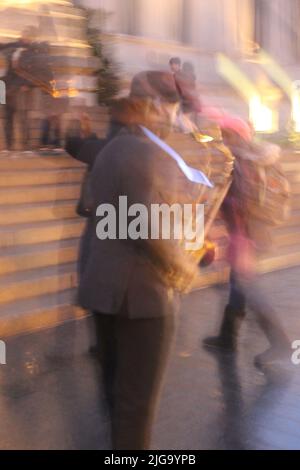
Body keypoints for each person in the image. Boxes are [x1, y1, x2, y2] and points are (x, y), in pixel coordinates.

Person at [78, 70, 203, 449]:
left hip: (104, 290)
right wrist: (185, 268)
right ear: (157, 107)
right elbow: (151, 231)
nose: (174, 116)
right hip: (142, 297)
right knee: (137, 410)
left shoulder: (113, 148)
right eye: (171, 106)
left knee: (118, 402)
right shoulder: (148, 152)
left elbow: (96, 211)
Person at [203, 117, 290, 370]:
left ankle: (281, 343)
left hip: (246, 238)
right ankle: (227, 337)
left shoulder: (242, 163)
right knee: (238, 287)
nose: (222, 140)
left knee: (250, 290)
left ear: (237, 136)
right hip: (252, 234)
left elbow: (239, 203)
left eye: (226, 135)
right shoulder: (250, 159)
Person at [0, 26, 38, 151]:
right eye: (24, 33)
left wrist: (27, 84)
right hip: (6, 87)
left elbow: (35, 70)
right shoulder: (13, 46)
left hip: (22, 89)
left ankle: (25, 146)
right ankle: (9, 146)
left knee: (23, 118)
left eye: (28, 34)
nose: (25, 36)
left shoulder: (34, 51)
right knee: (8, 118)